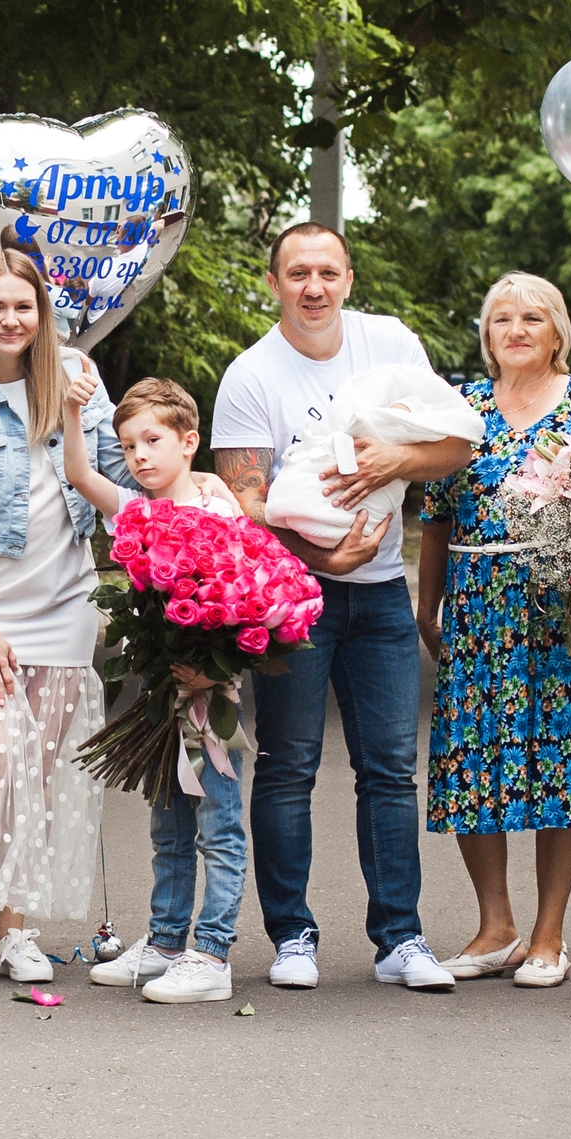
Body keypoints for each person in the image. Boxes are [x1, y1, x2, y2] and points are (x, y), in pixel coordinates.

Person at [210, 220, 472, 992]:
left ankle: (401, 938)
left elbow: (458, 442)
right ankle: (292, 936)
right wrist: (324, 558)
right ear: (274, 283)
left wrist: (398, 458)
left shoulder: (389, 343)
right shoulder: (252, 375)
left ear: (349, 279)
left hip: (382, 595)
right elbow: (243, 503)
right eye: (297, 273)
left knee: (390, 768)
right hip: (292, 597)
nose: (313, 287)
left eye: (327, 271)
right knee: (288, 766)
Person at [0, 249, 133, 994]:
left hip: (64, 601)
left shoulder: (77, 382)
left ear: (43, 313)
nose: (11, 319)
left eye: (24, 306)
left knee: (35, 770)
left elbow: (114, 479)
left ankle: (16, 930)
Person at [414, 273, 571, 990]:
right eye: (501, 318)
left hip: (558, 608)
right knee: (476, 758)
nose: (516, 329)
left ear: (557, 329)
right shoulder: (465, 407)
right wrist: (428, 604)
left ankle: (549, 933)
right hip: (477, 604)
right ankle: (496, 924)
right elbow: (437, 512)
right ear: (487, 333)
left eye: (532, 317)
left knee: (559, 764)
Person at [62, 376, 251, 1005]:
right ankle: (167, 940)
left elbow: (242, 599)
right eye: (129, 444)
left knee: (218, 825)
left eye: (153, 440)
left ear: (189, 441)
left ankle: (213, 952)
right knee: (168, 823)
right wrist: (69, 412)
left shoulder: (217, 504)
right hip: (161, 690)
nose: (139, 455)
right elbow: (83, 476)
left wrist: (211, 669)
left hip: (211, 693)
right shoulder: (137, 510)